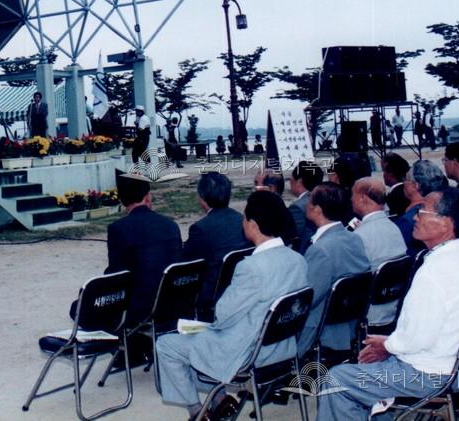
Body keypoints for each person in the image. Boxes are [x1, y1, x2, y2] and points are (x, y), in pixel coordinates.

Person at [316, 188, 459, 421]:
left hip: (426, 375)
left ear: (445, 224)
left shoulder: (435, 273)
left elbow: (417, 340)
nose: (415, 217)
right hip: (457, 367)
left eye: (422, 211)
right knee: (365, 369)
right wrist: (389, 345)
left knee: (337, 379)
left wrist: (388, 345)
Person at [156, 191, 308, 419]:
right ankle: (220, 400)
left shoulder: (251, 268)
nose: (242, 222)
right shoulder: (298, 260)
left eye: (244, 217)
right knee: (194, 344)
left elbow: (223, 315)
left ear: (253, 225)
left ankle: (197, 412)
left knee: (168, 345)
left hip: (250, 353)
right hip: (283, 348)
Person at [104, 170, 182, 360]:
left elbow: (116, 275)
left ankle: (131, 347)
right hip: (173, 301)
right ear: (148, 197)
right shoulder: (171, 225)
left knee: (83, 307)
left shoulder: (118, 229)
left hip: (141, 307)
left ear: (122, 201)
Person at [298, 182, 371, 357]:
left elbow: (307, 299)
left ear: (317, 210)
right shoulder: (354, 239)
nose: (306, 205)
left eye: (309, 201)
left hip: (321, 331)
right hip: (349, 325)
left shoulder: (321, 250)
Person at [182, 172, 252, 319]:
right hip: (240, 285)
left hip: (212, 295)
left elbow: (186, 262)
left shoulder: (201, 228)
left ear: (202, 199)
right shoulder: (241, 220)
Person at [350, 178, 407, 327]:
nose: (351, 199)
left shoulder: (360, 235)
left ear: (362, 198)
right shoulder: (394, 228)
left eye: (353, 194)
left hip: (368, 315)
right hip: (393, 308)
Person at [395, 160, 449, 254]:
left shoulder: (409, 220)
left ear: (415, 185)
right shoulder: (446, 207)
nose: (403, 182)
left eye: (405, 179)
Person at [288, 161, 325, 253]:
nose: (290, 184)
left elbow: (291, 236)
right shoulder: (324, 198)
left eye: (291, 180)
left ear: (299, 182)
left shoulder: (297, 207)